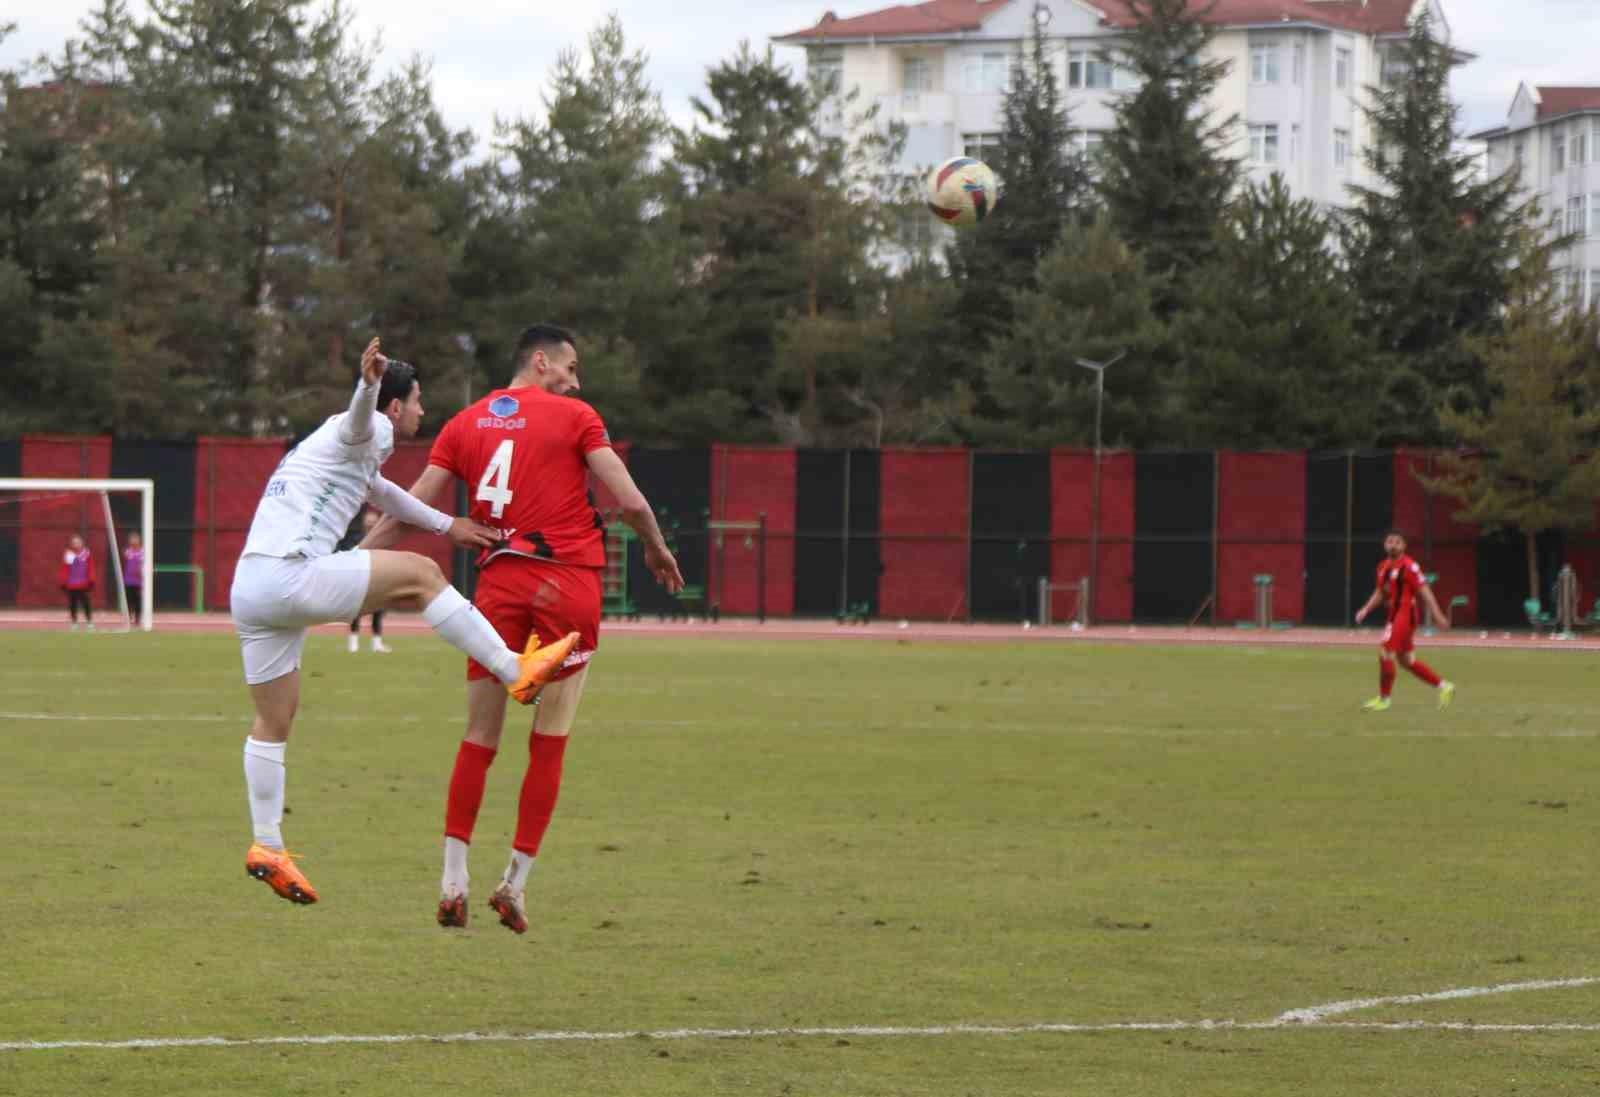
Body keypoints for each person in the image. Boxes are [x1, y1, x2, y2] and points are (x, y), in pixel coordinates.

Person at [230, 337, 581, 907]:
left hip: (250, 590)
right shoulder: (369, 427)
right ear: (397, 407)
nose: (422, 411)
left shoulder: (336, 450)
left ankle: (267, 845)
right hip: (292, 574)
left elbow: (386, 494)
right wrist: (369, 385)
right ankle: (514, 668)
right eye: (417, 401)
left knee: (273, 720)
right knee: (421, 574)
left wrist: (450, 525)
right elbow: (359, 424)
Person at [362, 323, 684, 933]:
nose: (576, 380)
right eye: (571, 367)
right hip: (568, 582)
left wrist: (351, 564)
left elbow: (406, 511)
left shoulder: (464, 425)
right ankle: (513, 883)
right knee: (550, 736)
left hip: (498, 585)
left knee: (480, 735)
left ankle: (452, 880)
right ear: (542, 363)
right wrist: (655, 549)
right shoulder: (576, 417)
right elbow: (633, 502)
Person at [1354, 528, 1456, 712]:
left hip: (1405, 614)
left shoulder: (1410, 566)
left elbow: (1425, 591)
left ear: (1404, 546)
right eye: (1390, 541)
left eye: (1397, 542)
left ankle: (1384, 699)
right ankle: (1445, 687)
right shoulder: (1382, 567)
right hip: (1394, 614)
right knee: (1406, 661)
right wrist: (1366, 609)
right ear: (1385, 544)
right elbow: (1381, 592)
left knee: (1385, 652)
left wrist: (1438, 615)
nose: (1393, 545)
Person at [338, 510, 389, 652]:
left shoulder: (383, 538)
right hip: (359, 578)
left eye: (374, 520)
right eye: (369, 520)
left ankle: (376, 643)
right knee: (356, 610)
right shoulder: (356, 538)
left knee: (378, 611)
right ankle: (353, 642)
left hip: (377, 577)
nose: (371, 523)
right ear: (364, 522)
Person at [60, 533, 95, 631]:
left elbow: (91, 567)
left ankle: (89, 622)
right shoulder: (69, 554)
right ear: (71, 544)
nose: (76, 544)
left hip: (83, 584)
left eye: (78, 542)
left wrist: (91, 579)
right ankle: (74, 622)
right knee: (72, 604)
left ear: (82, 543)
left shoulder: (86, 553)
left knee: (86, 603)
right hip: (71, 585)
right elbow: (65, 569)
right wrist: (63, 582)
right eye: (74, 543)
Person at [122, 531, 145, 626]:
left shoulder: (143, 551)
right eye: (132, 539)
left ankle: (137, 618)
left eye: (136, 539)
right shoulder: (127, 551)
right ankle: (129, 616)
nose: (134, 541)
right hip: (128, 579)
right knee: (128, 599)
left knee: (138, 600)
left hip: (139, 580)